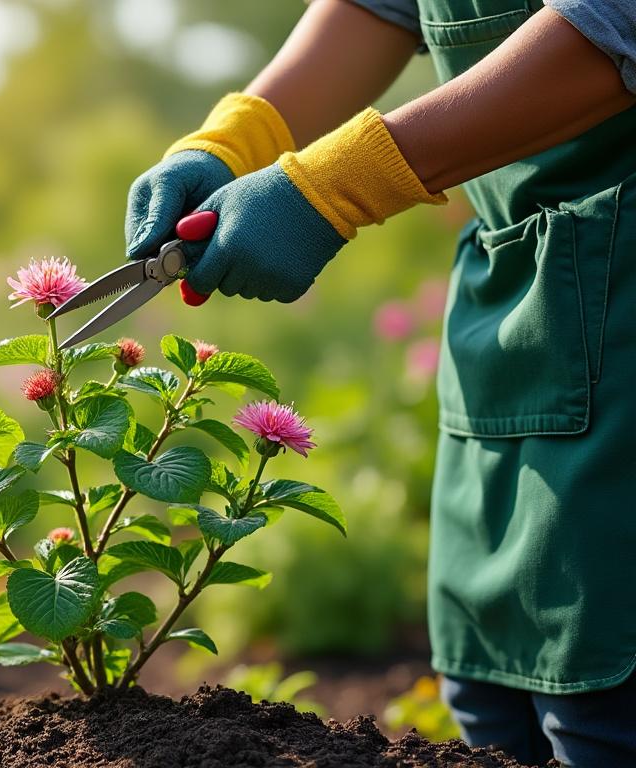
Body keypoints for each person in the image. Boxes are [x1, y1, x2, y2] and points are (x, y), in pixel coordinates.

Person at [121, 1, 636, 765]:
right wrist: (235, 142)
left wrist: (339, 182)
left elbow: (610, 32)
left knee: (601, 713)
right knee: (492, 698)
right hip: (525, 287)